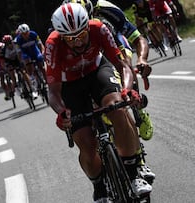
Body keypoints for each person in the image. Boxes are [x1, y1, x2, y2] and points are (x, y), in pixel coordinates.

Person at [46, 3, 152, 202]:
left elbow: (122, 65)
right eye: (71, 38)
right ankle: (99, 186)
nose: (78, 43)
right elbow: (52, 91)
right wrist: (61, 112)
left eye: (81, 35)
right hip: (71, 84)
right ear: (61, 36)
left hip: (97, 71)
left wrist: (127, 90)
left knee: (117, 108)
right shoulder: (53, 44)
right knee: (85, 142)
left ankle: (132, 173)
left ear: (87, 26)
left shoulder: (98, 28)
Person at [14, 23, 46, 98]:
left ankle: (46, 81)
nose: (26, 35)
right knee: (28, 63)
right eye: (23, 34)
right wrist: (21, 62)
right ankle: (33, 83)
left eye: (27, 33)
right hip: (25, 52)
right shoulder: (18, 40)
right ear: (21, 34)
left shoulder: (33, 34)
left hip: (34, 50)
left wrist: (43, 53)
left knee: (41, 63)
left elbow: (40, 45)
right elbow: (19, 53)